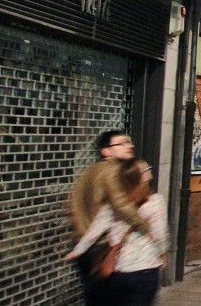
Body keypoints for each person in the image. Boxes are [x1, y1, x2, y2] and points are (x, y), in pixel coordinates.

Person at [65, 158, 168, 306]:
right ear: (143, 177)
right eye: (147, 169)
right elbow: (160, 235)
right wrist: (162, 253)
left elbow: (94, 231)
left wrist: (77, 251)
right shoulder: (156, 202)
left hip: (118, 270)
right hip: (145, 270)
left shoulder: (113, 206)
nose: (149, 171)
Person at [67, 130, 150, 304]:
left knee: (95, 298)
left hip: (83, 242)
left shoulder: (90, 171)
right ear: (106, 151)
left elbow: (72, 204)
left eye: (129, 142)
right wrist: (145, 226)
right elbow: (121, 204)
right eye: (122, 143)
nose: (130, 146)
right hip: (102, 245)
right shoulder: (113, 171)